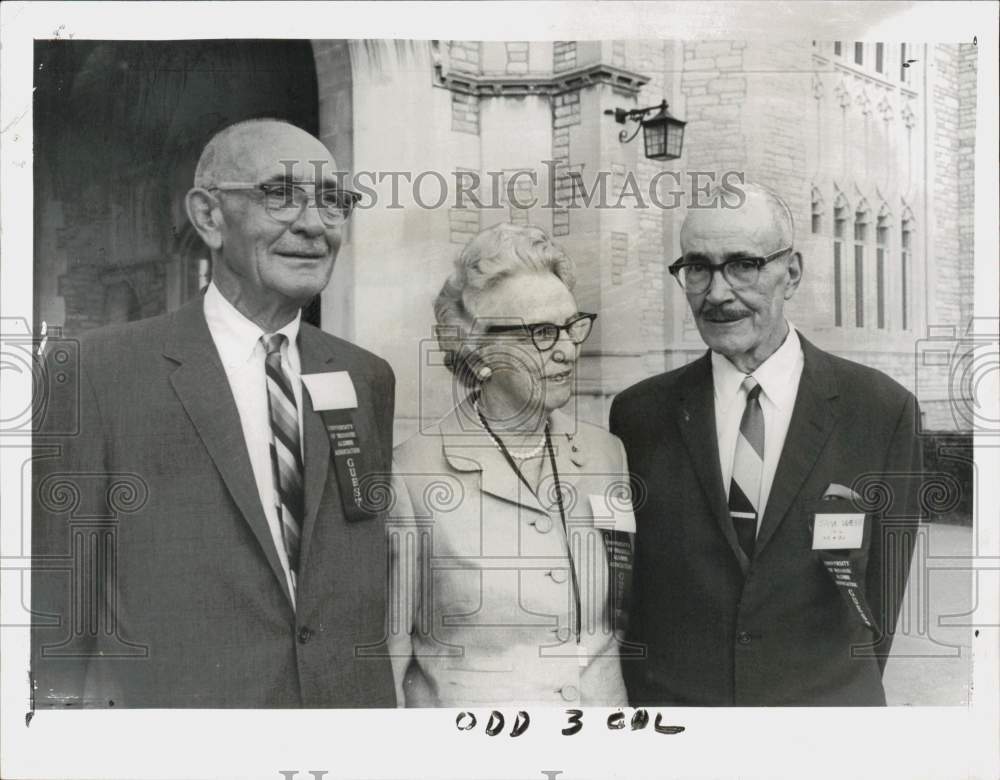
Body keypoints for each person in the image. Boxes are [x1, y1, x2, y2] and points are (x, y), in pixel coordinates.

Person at [31, 119, 397, 708]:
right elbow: (57, 605)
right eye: (280, 194)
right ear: (208, 216)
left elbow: (352, 569)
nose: (312, 224)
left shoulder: (364, 376)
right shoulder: (98, 371)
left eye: (333, 201)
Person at [610, 184, 922, 706]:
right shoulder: (639, 414)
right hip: (681, 723)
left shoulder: (881, 410)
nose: (717, 293)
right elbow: (637, 594)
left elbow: (881, 603)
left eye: (743, 265)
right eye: (698, 267)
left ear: (792, 273)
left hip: (818, 726)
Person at [389, 223, 634, 707]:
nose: (568, 349)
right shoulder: (410, 474)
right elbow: (392, 654)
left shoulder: (608, 454)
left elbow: (619, 617)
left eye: (572, 325)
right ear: (476, 346)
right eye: (542, 334)